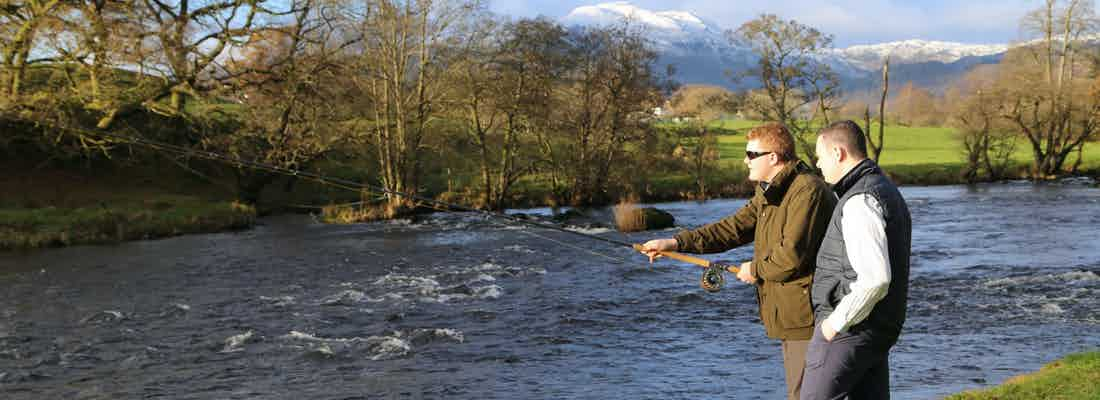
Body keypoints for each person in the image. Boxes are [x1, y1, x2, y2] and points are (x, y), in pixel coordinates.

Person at [640, 123, 836, 400]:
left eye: (751, 154)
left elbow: (790, 256)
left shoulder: (807, 191)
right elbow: (732, 228)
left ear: (773, 157)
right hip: (792, 314)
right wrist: (674, 243)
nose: (745, 160)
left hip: (809, 315)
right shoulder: (769, 191)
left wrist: (754, 270)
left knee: (806, 395)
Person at [800, 120, 912, 400]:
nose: (817, 164)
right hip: (876, 328)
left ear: (838, 153)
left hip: (851, 330)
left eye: (820, 155)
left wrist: (834, 324)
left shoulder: (859, 200)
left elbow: (876, 279)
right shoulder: (884, 188)